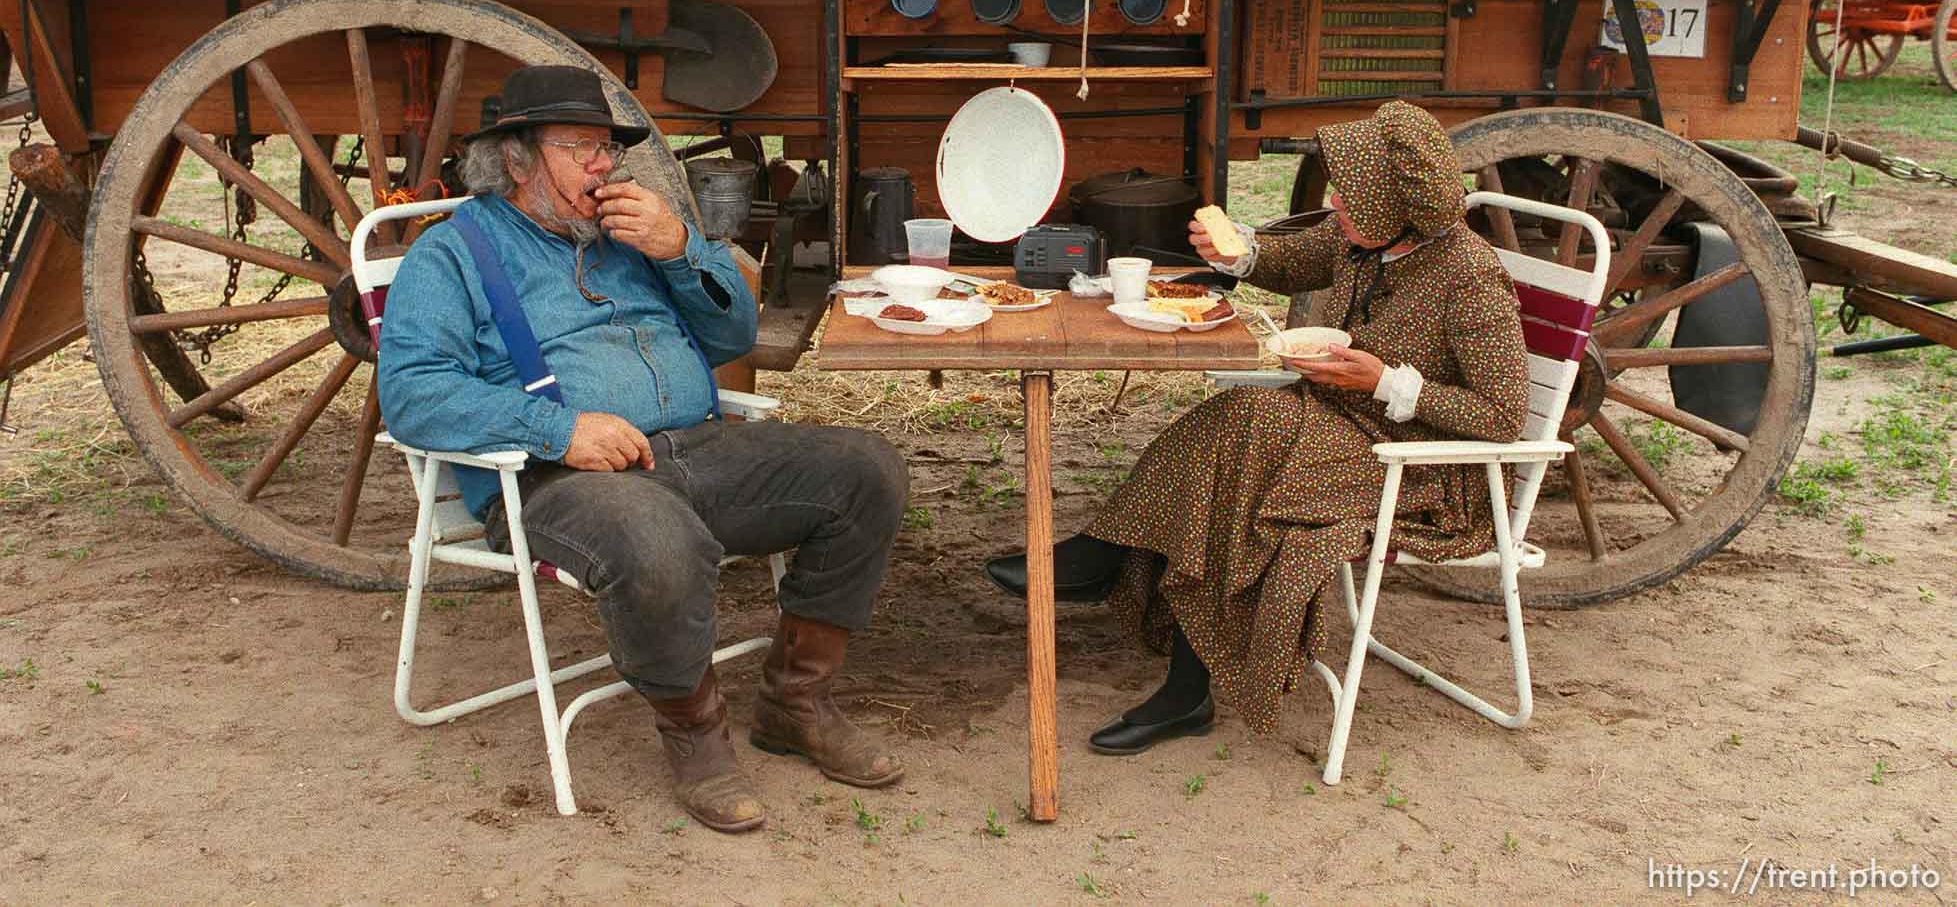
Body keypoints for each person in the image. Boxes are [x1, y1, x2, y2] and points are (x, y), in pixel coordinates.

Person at [377, 65, 910, 834]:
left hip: (694, 447)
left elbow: (732, 338)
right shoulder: (452, 255)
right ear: (519, 157)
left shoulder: (627, 235)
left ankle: (796, 702)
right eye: (584, 147)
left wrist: (680, 247)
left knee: (866, 468)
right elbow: (414, 393)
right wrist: (559, 430)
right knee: (654, 536)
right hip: (552, 478)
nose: (605, 165)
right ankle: (694, 735)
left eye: (608, 149)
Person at [986, 101, 1528, 752]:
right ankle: (1106, 555)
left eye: (1350, 195)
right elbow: (1290, 258)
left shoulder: (1468, 281)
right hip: (1339, 419)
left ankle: (1180, 682)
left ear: (1395, 207)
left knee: (1248, 490)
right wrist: (1237, 253)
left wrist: (1383, 381)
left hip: (1418, 464)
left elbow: (1501, 417)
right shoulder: (1367, 238)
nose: (1334, 201)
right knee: (1231, 420)